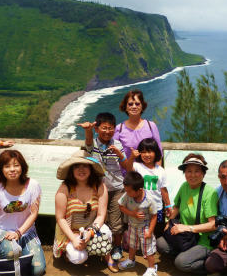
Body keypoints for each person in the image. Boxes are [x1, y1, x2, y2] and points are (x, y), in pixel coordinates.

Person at [77, 112, 133, 262]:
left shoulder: (118, 144)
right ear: (97, 129)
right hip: (96, 190)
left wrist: (120, 155)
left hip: (116, 189)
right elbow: (88, 140)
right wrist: (88, 129)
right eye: (104, 128)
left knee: (116, 221)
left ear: (114, 129)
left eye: (110, 128)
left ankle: (117, 246)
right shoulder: (93, 144)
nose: (107, 131)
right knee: (95, 219)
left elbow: (127, 167)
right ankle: (98, 247)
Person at [0, 150, 46, 276]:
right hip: (3, 233)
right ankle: (7, 259)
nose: (12, 169)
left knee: (38, 270)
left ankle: (17, 264)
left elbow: (34, 213)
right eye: (7, 166)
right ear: (1, 169)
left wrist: (19, 232)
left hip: (26, 232)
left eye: (16, 165)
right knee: (11, 252)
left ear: (22, 167)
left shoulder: (33, 185)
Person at [52, 150, 116, 272]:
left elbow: (101, 215)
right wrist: (74, 238)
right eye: (77, 166)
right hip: (70, 230)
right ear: (71, 170)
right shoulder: (64, 189)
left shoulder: (99, 186)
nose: (81, 170)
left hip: (90, 228)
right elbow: (60, 218)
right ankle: (72, 251)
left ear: (91, 168)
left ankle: (106, 255)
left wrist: (91, 232)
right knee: (78, 258)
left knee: (106, 232)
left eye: (85, 166)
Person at [157, 153, 219, 274]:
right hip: (186, 237)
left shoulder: (209, 192)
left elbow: (213, 224)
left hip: (203, 240)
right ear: (184, 173)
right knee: (160, 243)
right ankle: (187, 255)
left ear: (203, 173)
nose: (193, 175)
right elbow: (177, 206)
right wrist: (169, 221)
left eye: (197, 171)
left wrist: (188, 228)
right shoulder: (184, 186)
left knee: (181, 263)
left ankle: (212, 265)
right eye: (189, 171)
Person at [127, 138, 171, 237]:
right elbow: (128, 169)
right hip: (140, 206)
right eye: (143, 152)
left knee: (156, 231)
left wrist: (168, 205)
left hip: (157, 207)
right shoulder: (137, 166)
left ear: (156, 153)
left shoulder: (161, 171)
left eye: (150, 151)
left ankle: (154, 248)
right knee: (140, 228)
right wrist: (131, 157)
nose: (147, 155)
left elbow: (163, 190)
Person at [118, 171, 158, 276]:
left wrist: (150, 231)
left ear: (140, 190)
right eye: (126, 190)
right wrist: (132, 214)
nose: (127, 193)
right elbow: (121, 206)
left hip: (145, 227)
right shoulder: (127, 195)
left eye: (129, 191)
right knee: (132, 244)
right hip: (132, 226)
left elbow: (154, 216)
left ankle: (152, 268)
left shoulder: (149, 200)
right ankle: (131, 260)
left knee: (148, 249)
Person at [114, 89, 163, 169]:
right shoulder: (119, 129)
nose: (134, 106)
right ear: (125, 107)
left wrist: (156, 174)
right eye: (130, 104)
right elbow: (115, 155)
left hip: (148, 176)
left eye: (137, 104)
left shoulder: (151, 126)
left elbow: (159, 153)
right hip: (127, 176)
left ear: (142, 107)